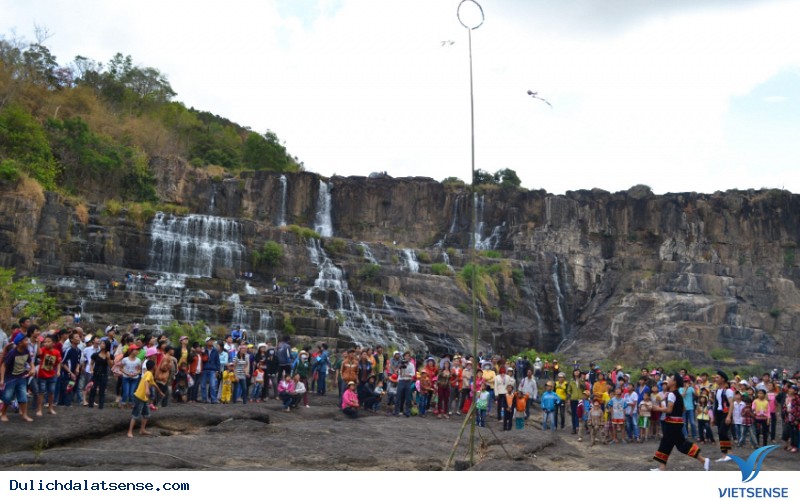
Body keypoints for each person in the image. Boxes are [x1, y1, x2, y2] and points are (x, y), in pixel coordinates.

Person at [651, 373, 710, 471]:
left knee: (680, 445)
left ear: (674, 382)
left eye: (671, 379)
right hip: (676, 423)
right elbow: (683, 408)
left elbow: (669, 410)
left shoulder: (671, 395)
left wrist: (658, 408)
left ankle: (703, 460)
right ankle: (662, 467)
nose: (668, 380)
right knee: (666, 443)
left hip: (672, 424)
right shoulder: (677, 394)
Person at [1, 333, 35, 422]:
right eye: (25, 340)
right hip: (10, 378)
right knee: (7, 397)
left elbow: (30, 361)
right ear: (20, 343)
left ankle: (24, 414)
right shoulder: (12, 353)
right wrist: (2, 379)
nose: (27, 342)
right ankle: (3, 413)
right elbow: (3, 366)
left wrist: (33, 369)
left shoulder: (26, 351)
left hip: (21, 376)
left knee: (23, 396)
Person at [127, 359, 165, 438]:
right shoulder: (148, 373)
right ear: (153, 367)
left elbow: (154, 384)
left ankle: (142, 430)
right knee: (135, 414)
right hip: (139, 397)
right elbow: (146, 382)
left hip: (144, 398)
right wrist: (147, 389)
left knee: (146, 414)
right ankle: (129, 431)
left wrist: (160, 392)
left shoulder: (150, 374)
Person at [35, 334, 61, 417]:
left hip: (52, 375)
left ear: (53, 343)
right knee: (41, 392)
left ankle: (50, 408)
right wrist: (39, 343)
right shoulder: (43, 349)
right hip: (42, 375)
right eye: (45, 342)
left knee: (51, 392)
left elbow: (59, 362)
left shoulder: (56, 352)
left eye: (48, 341)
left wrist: (58, 371)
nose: (46, 343)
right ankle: (39, 409)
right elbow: (38, 353)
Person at [713, 371, 736, 462]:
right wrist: (714, 417)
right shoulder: (717, 390)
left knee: (723, 432)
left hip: (725, 413)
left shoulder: (728, 391)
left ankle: (730, 452)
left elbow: (731, 404)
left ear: (723, 379)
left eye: (717, 377)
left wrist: (729, 416)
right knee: (720, 433)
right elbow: (716, 404)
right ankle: (724, 454)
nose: (715, 379)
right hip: (718, 414)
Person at [88, 339, 111, 409]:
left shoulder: (109, 355)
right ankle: (90, 405)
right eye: (101, 343)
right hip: (95, 374)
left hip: (104, 375)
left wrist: (108, 358)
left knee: (102, 390)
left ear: (107, 345)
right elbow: (91, 364)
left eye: (103, 344)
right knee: (93, 390)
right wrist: (91, 370)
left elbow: (111, 365)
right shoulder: (95, 355)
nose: (101, 345)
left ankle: (101, 406)